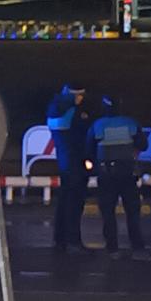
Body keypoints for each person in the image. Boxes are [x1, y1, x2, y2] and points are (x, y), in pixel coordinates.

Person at [90, 96, 147, 253]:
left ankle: (112, 248)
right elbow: (143, 144)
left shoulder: (97, 125)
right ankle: (137, 248)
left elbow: (89, 148)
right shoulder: (131, 123)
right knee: (132, 212)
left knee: (108, 212)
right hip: (127, 172)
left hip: (106, 173)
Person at [45, 84, 91, 252]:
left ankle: (60, 239)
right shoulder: (75, 112)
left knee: (64, 201)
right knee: (75, 203)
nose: (81, 99)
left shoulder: (54, 109)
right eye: (80, 96)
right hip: (76, 162)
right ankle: (74, 242)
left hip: (63, 161)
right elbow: (83, 136)